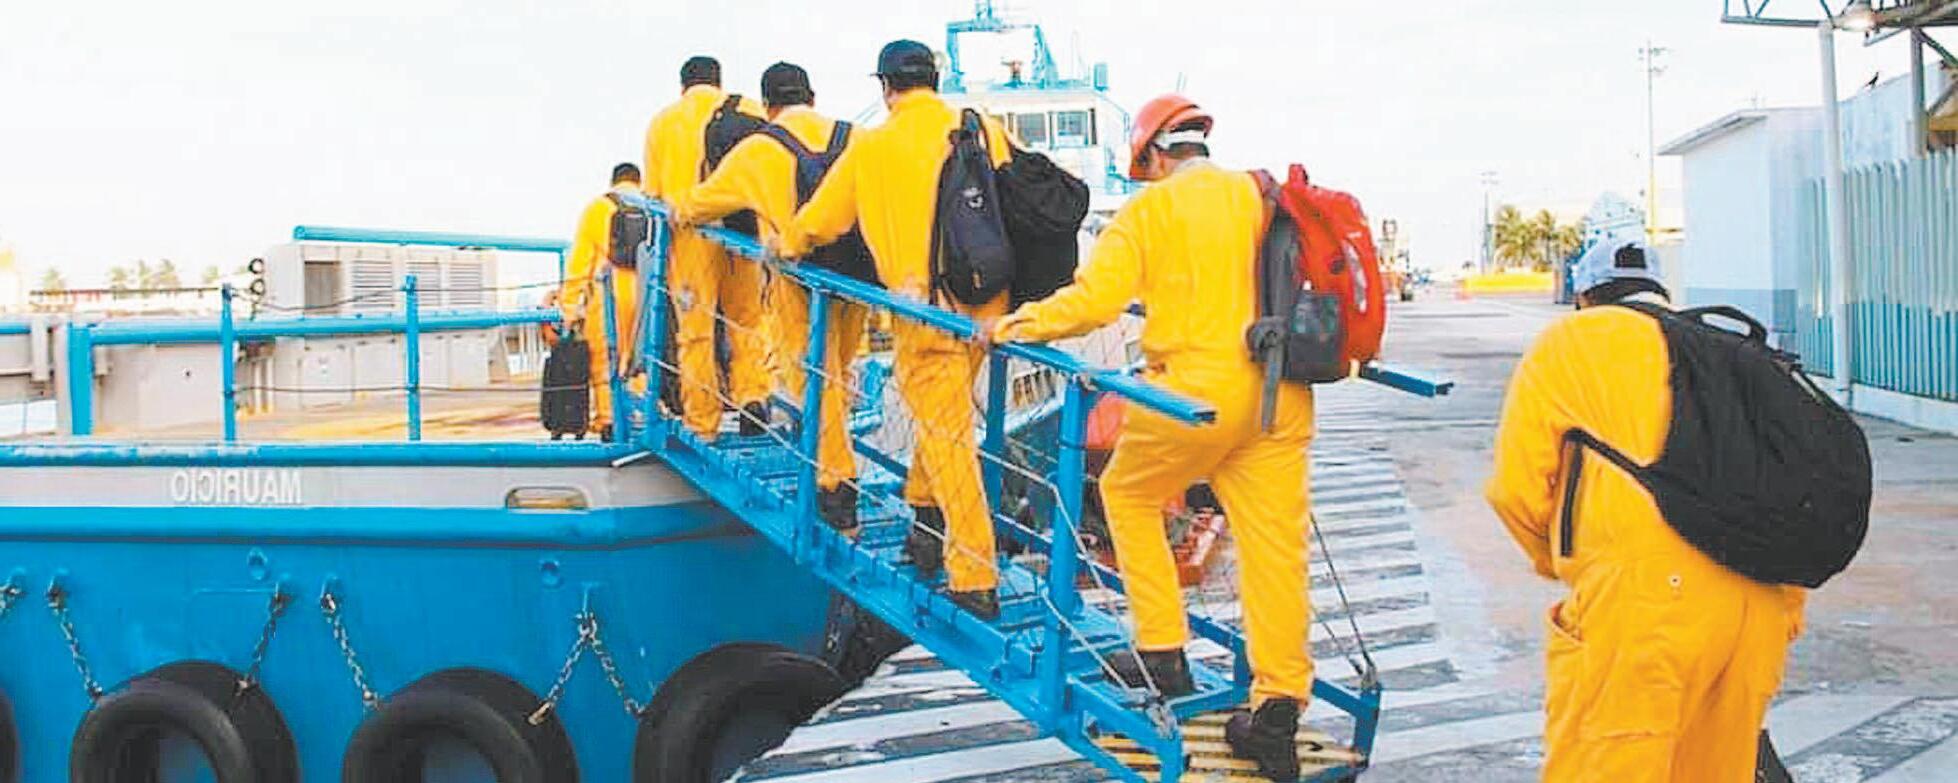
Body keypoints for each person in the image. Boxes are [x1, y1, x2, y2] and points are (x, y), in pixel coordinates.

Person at [991, 94, 1315, 781]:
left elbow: (1094, 303)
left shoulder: (1149, 211)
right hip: (1278, 391)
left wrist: (1012, 326)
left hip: (1191, 398)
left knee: (1127, 493)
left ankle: (1163, 650)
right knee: (1274, 553)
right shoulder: (1260, 195)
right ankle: (1277, 710)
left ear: (1154, 157)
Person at [1486, 237, 1807, 782]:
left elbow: (1515, 491)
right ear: (1660, 290)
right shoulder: (1726, 347)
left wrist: (1564, 561)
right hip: (1759, 608)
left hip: (1641, 606)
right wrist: (1785, 608)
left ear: (1584, 296)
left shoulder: (1569, 343)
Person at [779, 40, 1014, 619]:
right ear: (935, 79)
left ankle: (975, 576)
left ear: (886, 87)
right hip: (988, 303)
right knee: (943, 424)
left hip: (925, 313)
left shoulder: (873, 146)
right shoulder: (979, 124)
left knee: (948, 438)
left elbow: (822, 221)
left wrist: (785, 246)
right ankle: (925, 523)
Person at [675, 62, 869, 534]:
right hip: (858, 279)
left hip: (799, 282)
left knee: (815, 378)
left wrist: (677, 211)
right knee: (839, 374)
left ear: (767, 106)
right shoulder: (857, 139)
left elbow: (698, 204)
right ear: (813, 97)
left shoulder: (758, 151)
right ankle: (836, 460)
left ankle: (836, 488)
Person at [644, 55, 771, 440]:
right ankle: (752, 396)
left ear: (682, 85)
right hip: (741, 232)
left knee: (695, 331)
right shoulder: (748, 108)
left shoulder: (664, 122)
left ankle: (703, 421)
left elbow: (653, 194)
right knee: (747, 322)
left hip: (691, 238)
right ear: (719, 81)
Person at [559, 162, 649, 437]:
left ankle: (610, 420)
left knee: (605, 359)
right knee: (644, 356)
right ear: (638, 181)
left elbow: (580, 263)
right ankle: (643, 413)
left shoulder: (597, 208)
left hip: (608, 292)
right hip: (646, 292)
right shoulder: (654, 207)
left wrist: (570, 307)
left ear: (613, 181)